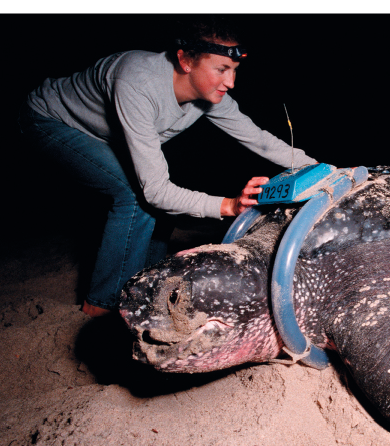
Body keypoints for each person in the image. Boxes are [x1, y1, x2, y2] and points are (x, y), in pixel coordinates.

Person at [18, 16, 317, 317]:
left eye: (235, 71)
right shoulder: (137, 82)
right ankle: (101, 306)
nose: (231, 82)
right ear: (186, 61)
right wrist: (230, 205)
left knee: (164, 199)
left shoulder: (214, 98)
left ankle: (148, 282)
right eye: (221, 70)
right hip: (51, 120)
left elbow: (261, 141)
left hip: (109, 133)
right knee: (135, 196)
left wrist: (323, 169)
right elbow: (156, 192)